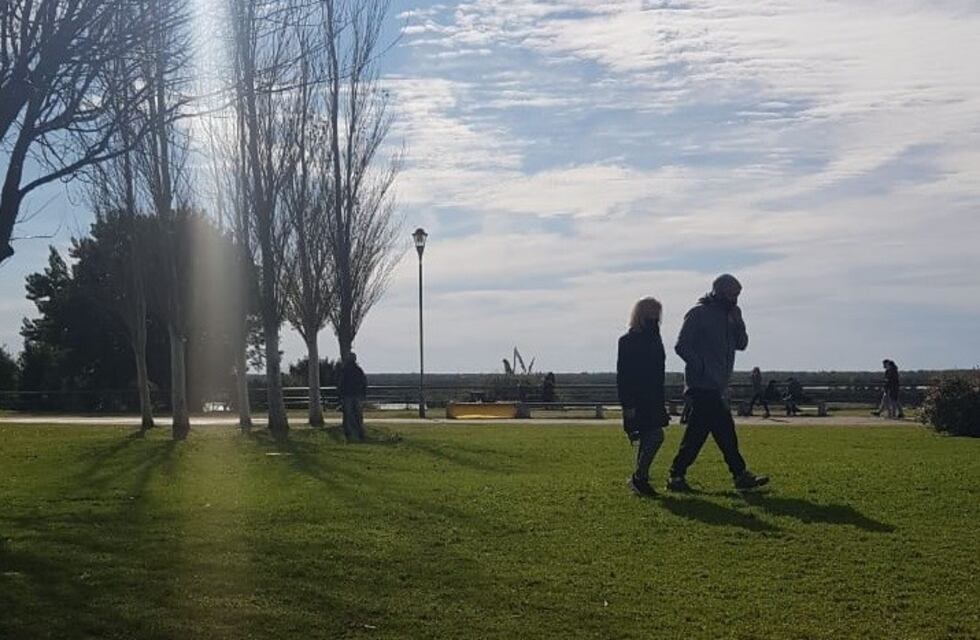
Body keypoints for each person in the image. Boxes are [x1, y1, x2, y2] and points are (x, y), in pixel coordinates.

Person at [667, 274, 769, 492]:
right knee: (722, 431)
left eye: (738, 295)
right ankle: (739, 474)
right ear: (719, 292)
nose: (735, 299)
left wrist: (738, 323)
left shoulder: (731, 315)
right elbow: (681, 345)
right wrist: (702, 368)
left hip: (718, 386)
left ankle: (677, 476)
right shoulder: (698, 313)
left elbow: (742, 345)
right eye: (732, 294)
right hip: (701, 385)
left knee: (701, 432)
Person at [617, 297, 670, 497]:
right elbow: (624, 375)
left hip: (653, 396)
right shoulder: (628, 341)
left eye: (657, 312)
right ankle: (639, 477)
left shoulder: (655, 339)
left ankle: (640, 478)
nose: (655, 316)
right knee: (655, 435)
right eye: (651, 312)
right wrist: (628, 405)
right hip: (638, 398)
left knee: (651, 435)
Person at [338, 352, 367, 440]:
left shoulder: (345, 370)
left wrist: (340, 395)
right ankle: (358, 432)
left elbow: (340, 383)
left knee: (349, 415)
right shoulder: (358, 370)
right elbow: (364, 382)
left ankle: (351, 433)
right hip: (355, 395)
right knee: (357, 415)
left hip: (349, 395)